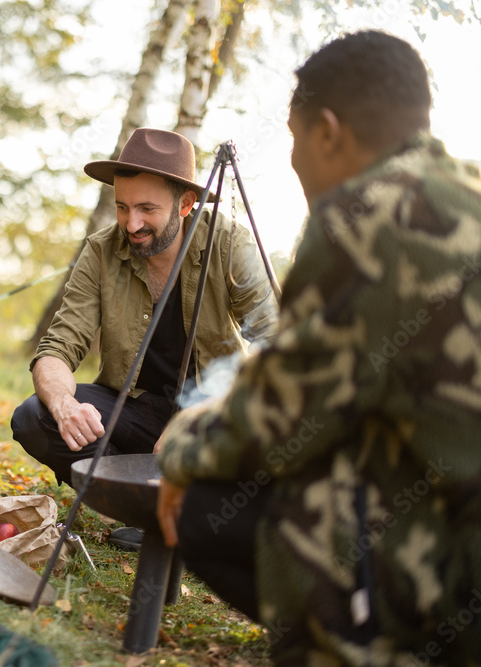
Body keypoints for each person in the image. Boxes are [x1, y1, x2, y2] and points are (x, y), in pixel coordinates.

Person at [155, 30, 481, 665]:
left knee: (208, 503)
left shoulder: (371, 215)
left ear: (328, 130)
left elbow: (281, 417)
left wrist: (185, 449)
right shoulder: (463, 193)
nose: (297, 162)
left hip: (458, 567)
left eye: (297, 141)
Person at [10, 127, 279, 550]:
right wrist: (64, 406)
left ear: (186, 204)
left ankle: (199, 511)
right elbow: (58, 347)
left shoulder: (228, 242)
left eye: (147, 209)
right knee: (34, 417)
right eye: (122, 207)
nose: (132, 223)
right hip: (135, 409)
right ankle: (147, 505)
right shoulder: (101, 251)